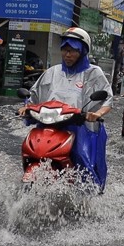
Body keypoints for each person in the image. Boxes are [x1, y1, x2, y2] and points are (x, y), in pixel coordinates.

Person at [18, 27, 111, 189]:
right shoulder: (52, 72)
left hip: (77, 126)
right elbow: (35, 95)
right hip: (48, 124)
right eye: (64, 50)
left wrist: (96, 114)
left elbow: (107, 99)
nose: (67, 55)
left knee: (81, 158)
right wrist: (26, 107)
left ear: (83, 51)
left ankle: (90, 195)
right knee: (31, 150)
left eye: (72, 51)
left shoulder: (93, 73)